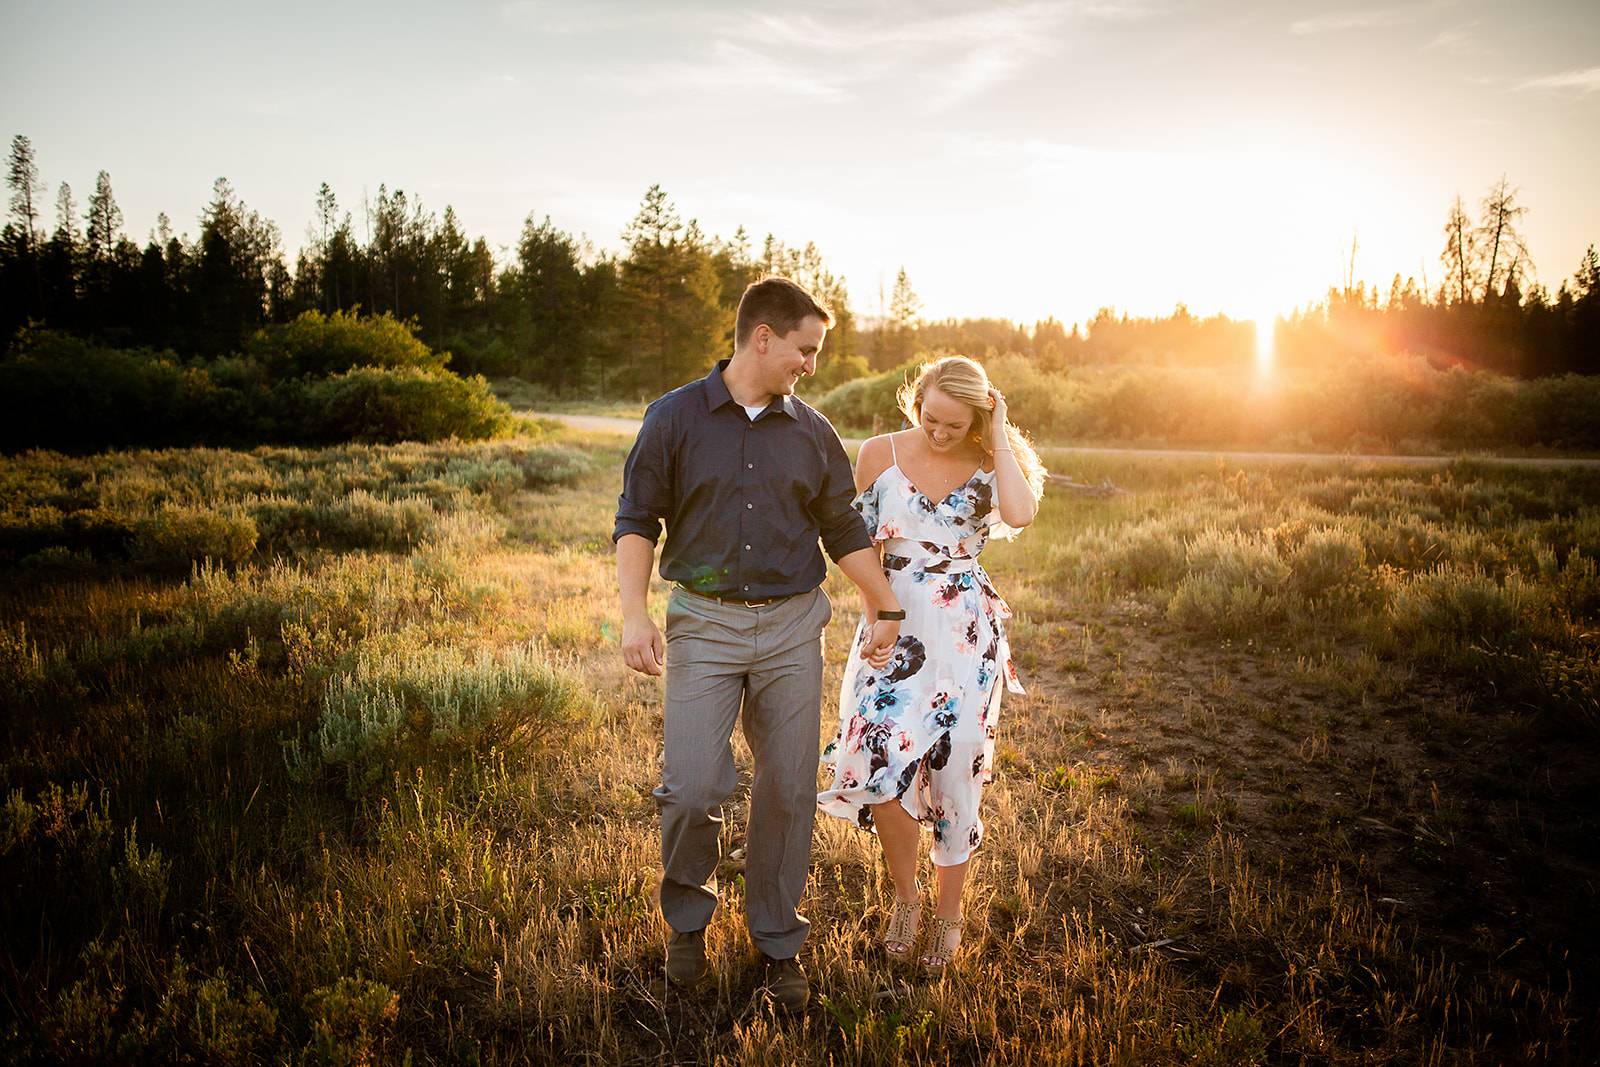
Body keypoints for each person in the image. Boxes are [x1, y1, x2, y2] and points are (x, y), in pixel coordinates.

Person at [614, 276, 904, 1014]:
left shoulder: (813, 432)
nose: (812, 364)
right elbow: (637, 518)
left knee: (785, 788)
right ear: (764, 337)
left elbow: (843, 529)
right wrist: (634, 614)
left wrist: (886, 601)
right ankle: (687, 918)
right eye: (806, 349)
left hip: (789, 628)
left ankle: (777, 942)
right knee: (692, 785)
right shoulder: (673, 418)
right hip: (703, 625)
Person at [818, 355, 1045, 974]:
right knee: (880, 759)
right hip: (894, 624)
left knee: (955, 770)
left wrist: (997, 436)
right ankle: (906, 900)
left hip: (966, 635)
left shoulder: (989, 461)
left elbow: (1020, 514)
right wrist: (877, 611)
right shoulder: (878, 453)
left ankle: (949, 915)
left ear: (978, 416)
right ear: (913, 401)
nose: (938, 432)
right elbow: (856, 545)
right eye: (928, 417)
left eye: (954, 423)